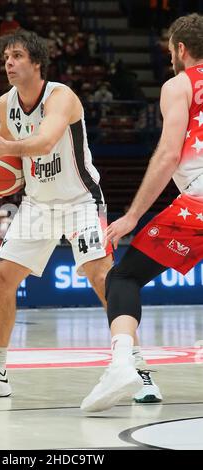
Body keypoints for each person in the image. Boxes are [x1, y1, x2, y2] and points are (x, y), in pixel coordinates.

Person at [0, 29, 160, 401]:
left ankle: (138, 368)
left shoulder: (61, 97)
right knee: (3, 279)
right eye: (6, 56)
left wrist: (8, 147)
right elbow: (7, 155)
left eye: (18, 56)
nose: (9, 62)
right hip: (37, 204)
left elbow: (45, 141)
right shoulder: (6, 104)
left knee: (102, 279)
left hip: (80, 200)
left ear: (37, 63)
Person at [81, 13, 203, 412]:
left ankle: (121, 366)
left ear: (180, 50)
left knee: (124, 276)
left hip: (198, 202)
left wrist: (132, 216)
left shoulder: (179, 85)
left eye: (170, 50)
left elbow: (169, 154)